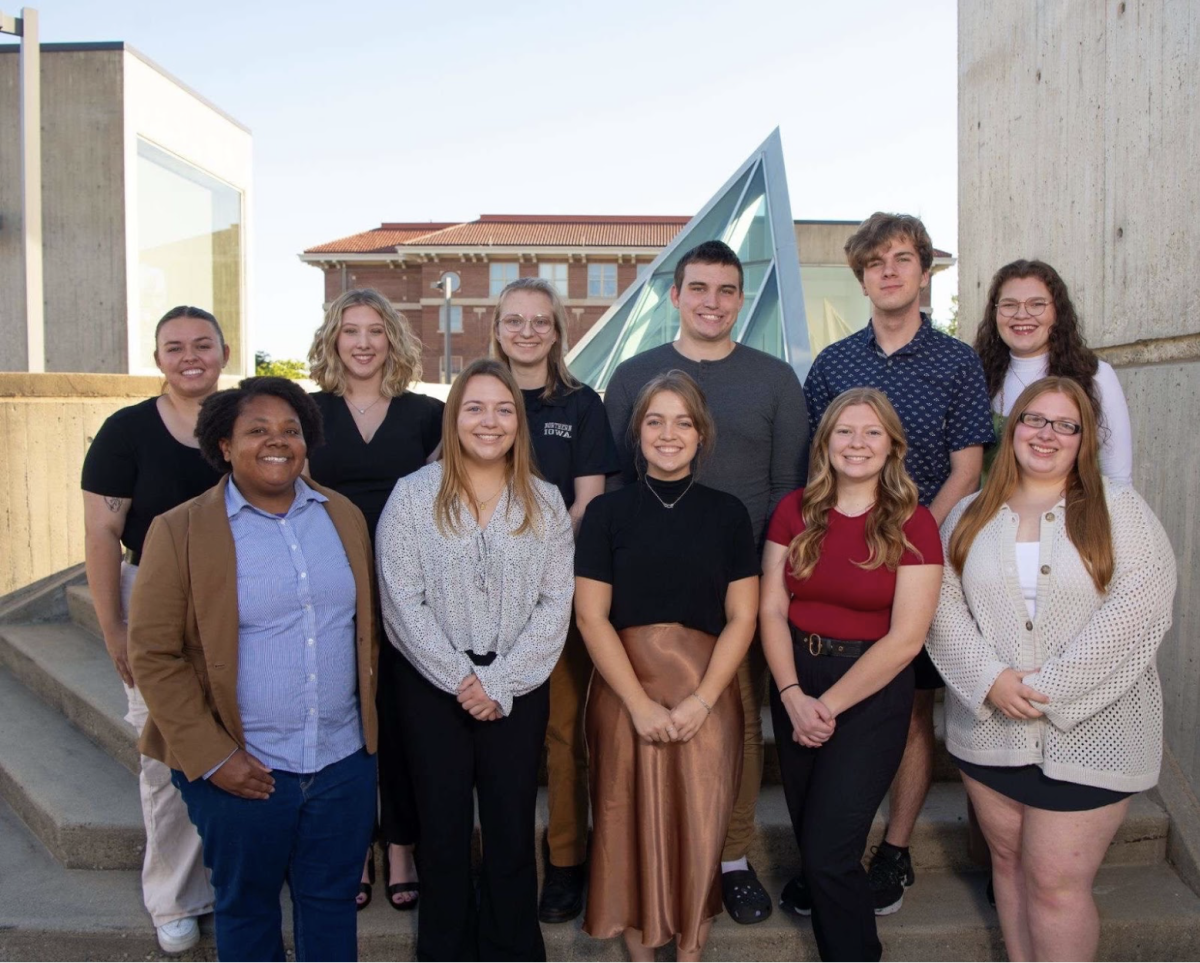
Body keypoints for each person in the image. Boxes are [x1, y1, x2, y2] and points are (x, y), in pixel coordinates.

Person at [126, 377, 379, 962]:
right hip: (243, 767)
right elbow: (155, 655)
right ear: (223, 444)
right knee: (246, 910)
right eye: (257, 430)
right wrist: (214, 758)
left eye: (291, 430)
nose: (278, 441)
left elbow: (362, 633)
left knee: (331, 904)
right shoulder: (180, 530)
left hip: (342, 763)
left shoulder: (341, 515)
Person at [927, 376, 1175, 962]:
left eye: (1066, 425)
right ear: (1011, 428)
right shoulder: (968, 511)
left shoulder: (1121, 510)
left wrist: (1049, 688)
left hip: (1094, 735)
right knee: (1009, 870)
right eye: (1035, 419)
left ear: (1084, 439)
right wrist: (989, 677)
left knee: (1056, 886)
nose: (1048, 434)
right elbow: (939, 604)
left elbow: (1139, 607)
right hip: (991, 733)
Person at [604, 240, 809, 923]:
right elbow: (614, 484)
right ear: (675, 296)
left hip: (744, 583)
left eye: (726, 290)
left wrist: (769, 584)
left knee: (737, 721)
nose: (712, 302)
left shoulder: (775, 379)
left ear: (741, 298)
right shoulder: (635, 376)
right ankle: (649, 846)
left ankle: (730, 855)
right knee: (640, 715)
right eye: (699, 288)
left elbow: (789, 491)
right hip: (648, 594)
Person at [803, 212, 993, 912]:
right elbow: (818, 465)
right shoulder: (833, 365)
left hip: (919, 560)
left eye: (903, 258)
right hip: (842, 565)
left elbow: (969, 461)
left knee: (910, 708)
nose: (890, 270)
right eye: (876, 260)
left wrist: (915, 539)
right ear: (861, 276)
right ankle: (832, 856)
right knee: (837, 698)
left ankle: (896, 849)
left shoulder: (955, 361)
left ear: (922, 272)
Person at [375, 358, 574, 960]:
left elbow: (554, 602)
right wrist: (463, 680)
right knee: (443, 827)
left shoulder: (544, 501)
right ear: (453, 417)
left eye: (504, 409)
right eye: (476, 408)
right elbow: (401, 601)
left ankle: (512, 947)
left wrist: (501, 681)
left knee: (512, 828)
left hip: (519, 682)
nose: (490, 421)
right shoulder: (413, 496)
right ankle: (446, 948)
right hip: (433, 685)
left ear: (520, 421)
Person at [576, 370, 759, 961]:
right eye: (655, 420)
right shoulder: (606, 514)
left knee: (701, 831)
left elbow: (743, 618)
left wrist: (704, 699)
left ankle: (689, 955)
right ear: (638, 433)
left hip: (707, 696)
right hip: (626, 694)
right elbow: (591, 618)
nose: (669, 433)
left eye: (683, 421)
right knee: (626, 832)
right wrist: (635, 703)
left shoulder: (729, 515)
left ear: (701, 433)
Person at [760, 387, 942, 960]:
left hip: (870, 692)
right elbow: (771, 608)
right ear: (825, 442)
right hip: (796, 680)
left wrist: (827, 705)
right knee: (813, 839)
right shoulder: (794, 510)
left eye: (870, 432)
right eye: (844, 431)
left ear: (891, 446)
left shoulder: (914, 524)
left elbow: (907, 638)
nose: (856, 443)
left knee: (829, 854)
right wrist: (791, 695)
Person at [81, 306, 225, 955]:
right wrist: (115, 628)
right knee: (166, 755)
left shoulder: (245, 416)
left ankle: (227, 874)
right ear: (157, 356)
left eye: (202, 344)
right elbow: (103, 535)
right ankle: (172, 894)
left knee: (240, 741)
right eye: (175, 346)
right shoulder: (126, 431)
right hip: (157, 608)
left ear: (224, 350)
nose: (189, 355)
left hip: (240, 604)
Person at [306, 288, 443, 911]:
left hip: (407, 588)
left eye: (375, 330)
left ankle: (402, 846)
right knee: (343, 719)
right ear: (333, 339)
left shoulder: (425, 416)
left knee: (402, 719)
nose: (363, 342)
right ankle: (354, 843)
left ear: (394, 339)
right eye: (350, 330)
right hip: (328, 586)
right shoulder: (305, 413)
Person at [489, 276, 621, 922]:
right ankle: (502, 855)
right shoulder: (477, 400)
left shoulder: (582, 404)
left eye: (540, 321)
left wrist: (538, 567)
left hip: (558, 593)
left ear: (557, 331)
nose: (527, 331)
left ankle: (566, 859)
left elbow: (589, 499)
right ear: (498, 327)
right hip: (483, 601)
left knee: (564, 733)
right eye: (515, 320)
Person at [974, 259, 1133, 484]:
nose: (1021, 315)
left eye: (1036, 304)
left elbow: (1118, 476)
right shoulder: (976, 376)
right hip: (990, 517)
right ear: (994, 313)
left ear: (1057, 311)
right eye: (1009, 305)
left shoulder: (1094, 375)